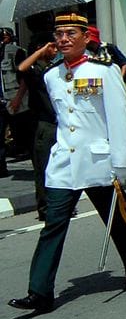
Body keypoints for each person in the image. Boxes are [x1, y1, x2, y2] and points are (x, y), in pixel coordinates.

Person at [8, 10, 126, 314]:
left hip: (98, 160)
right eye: (59, 34)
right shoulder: (52, 75)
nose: (63, 39)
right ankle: (40, 292)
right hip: (64, 163)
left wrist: (121, 163)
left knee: (117, 220)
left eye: (71, 33)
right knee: (52, 224)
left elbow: (118, 118)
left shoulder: (104, 71)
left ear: (86, 38)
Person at [17, 37, 59, 220]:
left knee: (59, 167)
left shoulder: (54, 69)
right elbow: (22, 68)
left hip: (59, 123)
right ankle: (44, 208)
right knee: (43, 167)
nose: (56, 50)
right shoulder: (36, 69)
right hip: (44, 124)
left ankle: (59, 205)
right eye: (52, 47)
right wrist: (39, 52)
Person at [1, 27, 29, 176]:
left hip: (15, 97)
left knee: (22, 132)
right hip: (1, 100)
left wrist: (18, 98)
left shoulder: (15, 51)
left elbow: (24, 76)